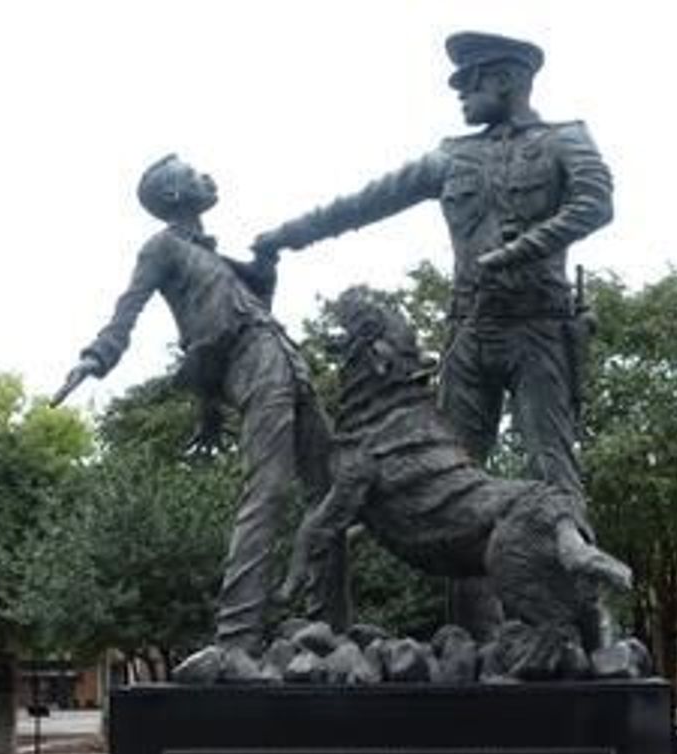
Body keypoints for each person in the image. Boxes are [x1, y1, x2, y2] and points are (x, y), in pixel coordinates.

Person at [253, 32, 612, 637]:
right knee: (452, 484)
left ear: (505, 80)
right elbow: (369, 200)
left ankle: (587, 621)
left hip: (539, 329)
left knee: (555, 471)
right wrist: (289, 234)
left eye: (472, 83)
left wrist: (524, 249)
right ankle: (473, 637)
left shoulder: (565, 140)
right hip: (469, 332)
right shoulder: (452, 157)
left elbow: (596, 205)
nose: (463, 96)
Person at [52, 155, 339, 653]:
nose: (207, 176)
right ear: (172, 196)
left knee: (333, 490)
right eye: (192, 174)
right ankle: (237, 631)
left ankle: (331, 621)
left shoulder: (215, 258)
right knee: (268, 489)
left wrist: (265, 267)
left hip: (285, 359)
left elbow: (255, 303)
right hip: (253, 363)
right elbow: (128, 308)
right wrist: (95, 357)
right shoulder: (160, 248)